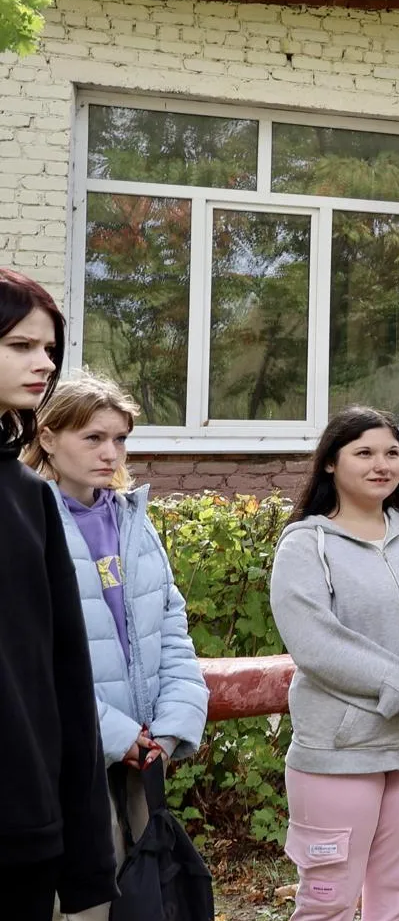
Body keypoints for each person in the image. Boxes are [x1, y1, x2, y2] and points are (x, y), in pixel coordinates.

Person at [270, 406, 399, 921]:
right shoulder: (305, 545)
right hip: (340, 751)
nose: (381, 464)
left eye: (392, 452)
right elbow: (317, 646)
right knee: (328, 903)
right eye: (363, 453)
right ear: (329, 464)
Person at [27, 370, 209, 921]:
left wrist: (173, 720)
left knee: (139, 896)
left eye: (120, 438)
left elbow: (169, 624)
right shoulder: (25, 519)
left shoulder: (133, 518)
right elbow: (30, 655)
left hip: (140, 753)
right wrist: (113, 732)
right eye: (93, 438)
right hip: (63, 752)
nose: (111, 453)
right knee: (80, 903)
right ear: (48, 437)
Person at [0, 268, 118, 918]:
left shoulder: (28, 499)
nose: (44, 363)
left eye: (49, 348)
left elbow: (65, 680)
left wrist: (85, 857)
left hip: (22, 833)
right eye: (20, 346)